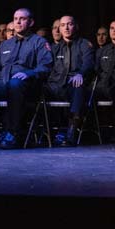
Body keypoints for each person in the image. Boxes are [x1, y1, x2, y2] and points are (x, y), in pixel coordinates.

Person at [0, 8, 53, 149]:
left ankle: (13, 133)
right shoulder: (5, 44)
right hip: (4, 83)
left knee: (15, 84)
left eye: (22, 18)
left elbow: (46, 66)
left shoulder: (39, 42)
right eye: (16, 19)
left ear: (31, 22)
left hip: (28, 86)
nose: (18, 21)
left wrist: (29, 74)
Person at [44, 15, 95, 146]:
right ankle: (42, 133)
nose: (66, 27)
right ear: (59, 29)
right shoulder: (54, 48)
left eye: (69, 24)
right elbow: (46, 67)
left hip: (73, 84)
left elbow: (88, 64)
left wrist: (80, 74)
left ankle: (71, 131)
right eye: (63, 25)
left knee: (79, 86)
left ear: (76, 26)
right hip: (55, 85)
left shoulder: (84, 44)